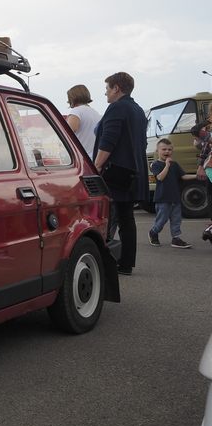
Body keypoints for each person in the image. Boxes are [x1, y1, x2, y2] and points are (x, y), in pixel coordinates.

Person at [93, 72, 148, 276]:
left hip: (115, 173)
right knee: (126, 219)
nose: (105, 93)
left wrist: (96, 166)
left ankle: (107, 259)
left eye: (107, 88)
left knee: (106, 217)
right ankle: (126, 263)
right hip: (131, 173)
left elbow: (108, 140)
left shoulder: (117, 107)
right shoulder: (138, 110)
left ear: (116, 88)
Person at [148, 138, 194, 248]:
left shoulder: (175, 164)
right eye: (164, 149)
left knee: (176, 220)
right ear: (157, 151)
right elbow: (160, 177)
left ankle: (176, 238)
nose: (167, 151)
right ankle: (153, 232)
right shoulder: (155, 164)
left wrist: (198, 176)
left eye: (169, 149)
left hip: (175, 197)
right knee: (162, 220)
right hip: (163, 198)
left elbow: (183, 176)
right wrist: (167, 165)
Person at [65, 84, 102, 155]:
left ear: (73, 98)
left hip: (81, 156)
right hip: (93, 156)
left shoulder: (76, 111)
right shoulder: (96, 113)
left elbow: (66, 133)